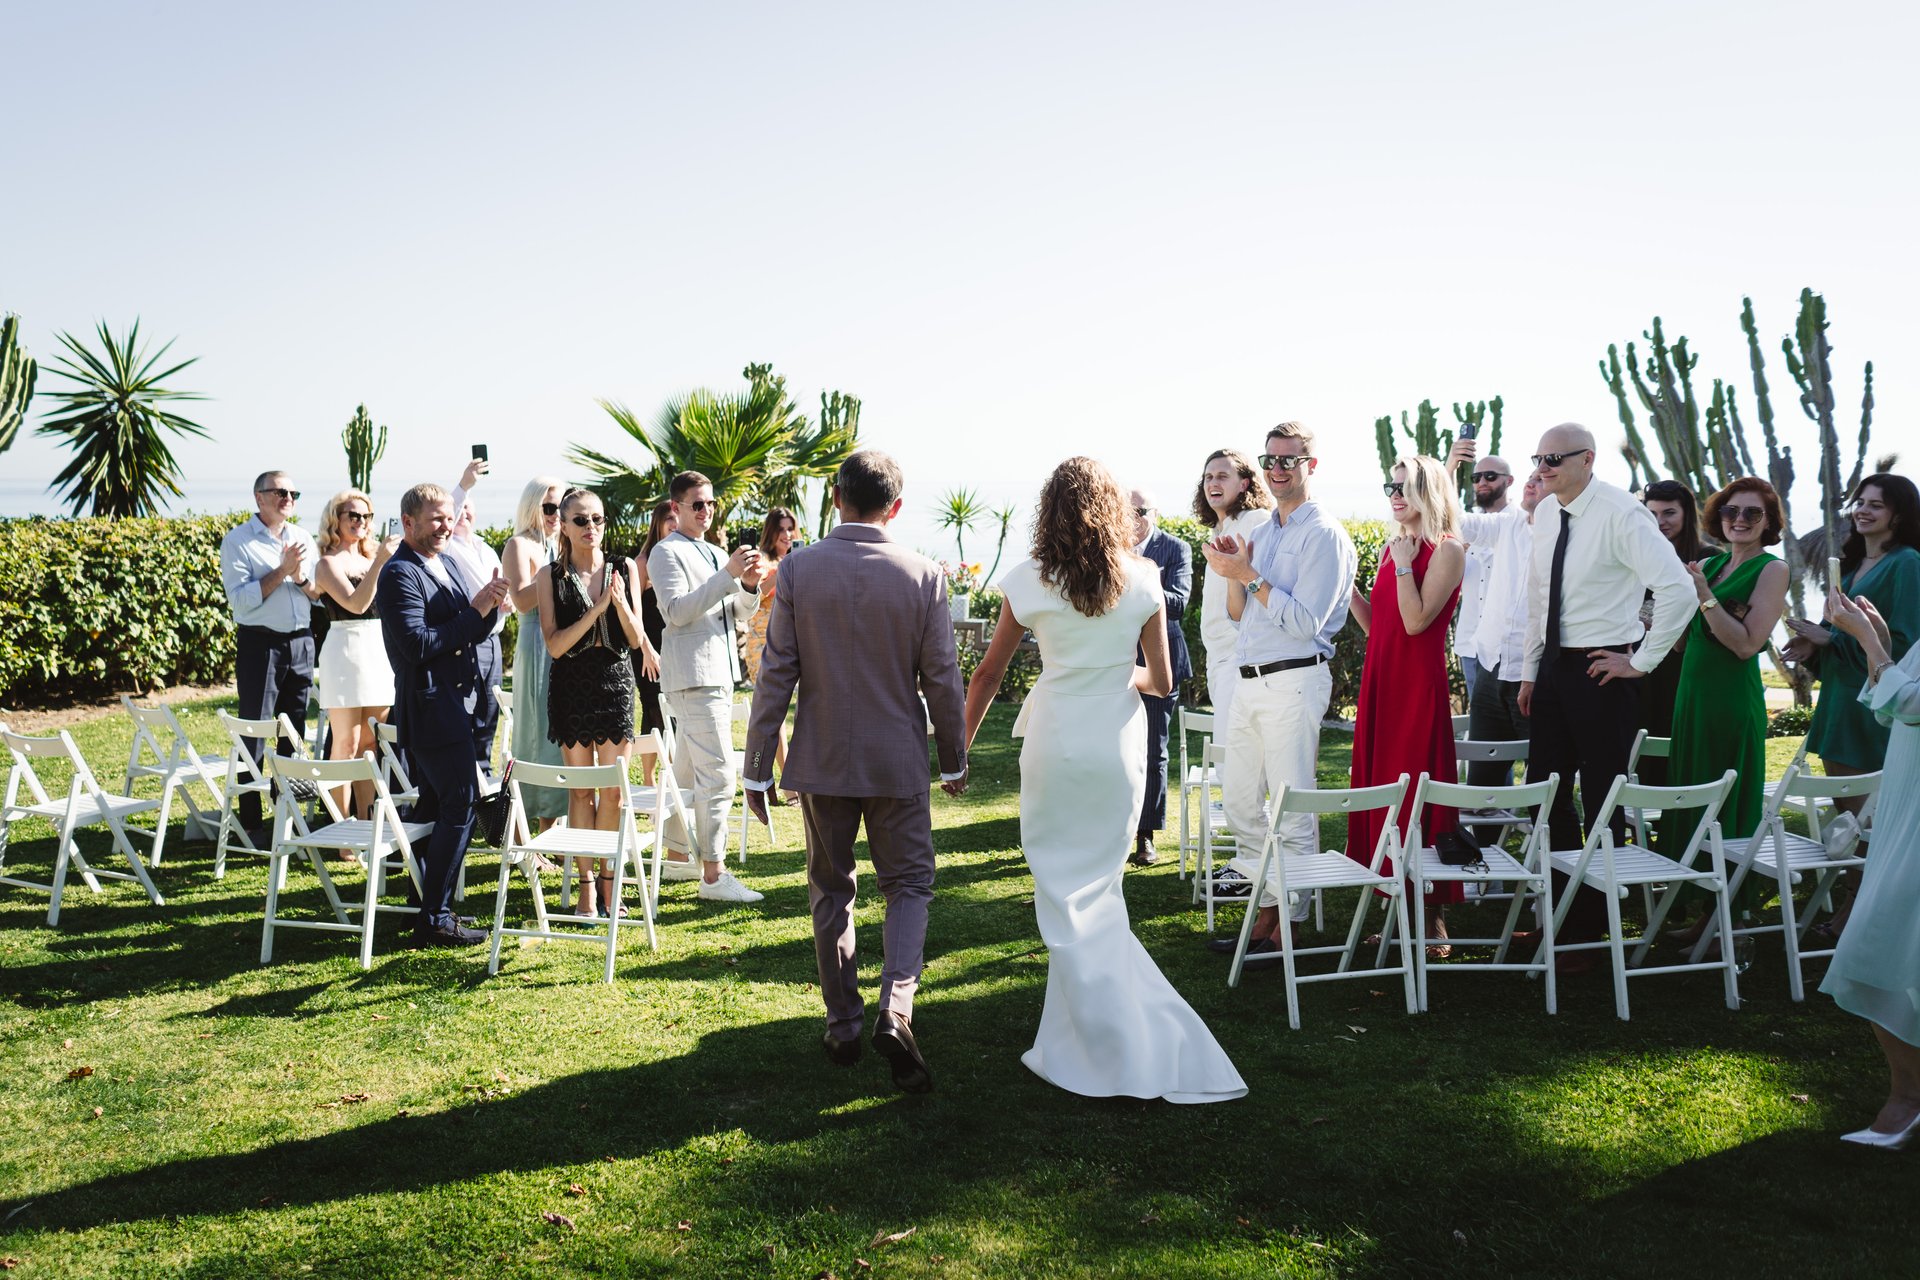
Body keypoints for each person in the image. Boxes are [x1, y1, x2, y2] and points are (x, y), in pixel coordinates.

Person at [965, 456, 1246, 1104]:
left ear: (1051, 511)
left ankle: (1100, 1042)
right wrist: (1121, 677)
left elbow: (985, 677)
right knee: (1099, 892)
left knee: (1062, 894)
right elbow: (1163, 681)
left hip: (1058, 745)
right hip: (1117, 746)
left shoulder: (1029, 579)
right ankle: (1082, 1035)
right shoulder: (1144, 578)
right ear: (1113, 512)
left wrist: (958, 752)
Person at [742, 450, 968, 1093]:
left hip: (821, 761)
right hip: (897, 758)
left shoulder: (800, 570)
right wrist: (951, 756)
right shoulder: (925, 574)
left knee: (830, 887)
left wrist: (759, 768)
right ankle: (897, 1008)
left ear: (836, 497)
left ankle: (844, 1022)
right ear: (895, 507)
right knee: (909, 885)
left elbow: (774, 672)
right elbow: (943, 679)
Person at [1519, 424, 1693, 968]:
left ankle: (1591, 928)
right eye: (1538, 457)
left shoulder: (1623, 512)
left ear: (1587, 459)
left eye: (1554, 458)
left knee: (1601, 797)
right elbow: (1536, 597)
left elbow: (1678, 589)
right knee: (1543, 794)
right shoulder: (1546, 512)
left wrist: (1639, 661)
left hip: (1602, 670)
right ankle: (1564, 914)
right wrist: (1530, 671)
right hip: (1551, 670)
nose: (1543, 467)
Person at [1199, 421, 1357, 958]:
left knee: (1291, 806)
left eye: (1289, 461)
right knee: (1241, 802)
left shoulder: (1326, 535)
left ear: (1311, 467)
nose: (1277, 470)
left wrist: (1246, 575)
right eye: (1271, 460)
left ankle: (1285, 921)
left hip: (1295, 678)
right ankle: (1266, 906)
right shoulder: (1263, 532)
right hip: (1248, 682)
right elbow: (1240, 613)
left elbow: (1305, 623)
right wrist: (1229, 568)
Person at [1787, 472, 1920, 937]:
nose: (1862, 510)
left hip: (1872, 711)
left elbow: (1902, 645)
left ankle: (1859, 919)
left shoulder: (1907, 565)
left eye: (1876, 505)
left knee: (1865, 824)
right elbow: (1845, 639)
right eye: (1859, 502)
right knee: (1845, 821)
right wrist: (1816, 647)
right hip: (1838, 703)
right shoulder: (1851, 564)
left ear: (1899, 514)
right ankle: (1854, 912)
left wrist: (1830, 638)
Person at [377, 482, 509, 947]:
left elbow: (470, 627)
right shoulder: (398, 574)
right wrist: (476, 612)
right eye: (435, 518)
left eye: (449, 517)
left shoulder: (448, 560)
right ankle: (435, 916)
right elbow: (417, 645)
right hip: (431, 707)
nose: (445, 525)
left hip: (462, 704)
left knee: (434, 806)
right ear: (408, 522)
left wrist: (491, 605)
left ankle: (421, 901)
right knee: (461, 803)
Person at [1659, 478, 1790, 941]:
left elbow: (1747, 644)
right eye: (1732, 511)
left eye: (1752, 514)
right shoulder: (1710, 564)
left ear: (1769, 522)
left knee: (1726, 805)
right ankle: (1698, 909)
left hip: (1730, 704)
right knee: (1692, 795)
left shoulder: (1772, 570)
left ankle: (1727, 915)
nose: (1739, 519)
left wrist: (1704, 596)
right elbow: (1682, 642)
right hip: (1691, 700)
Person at [1345, 455, 1467, 951]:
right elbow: (1383, 628)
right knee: (1384, 790)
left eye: (1405, 487)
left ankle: (1431, 919)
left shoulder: (1448, 549)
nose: (1394, 496)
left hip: (1417, 687)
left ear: (1429, 490)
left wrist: (1399, 566)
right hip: (1382, 680)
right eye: (1390, 487)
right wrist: (1349, 589)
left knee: (1418, 787)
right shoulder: (1397, 547)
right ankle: (1397, 909)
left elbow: (1416, 623)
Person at [1819, 585, 1920, 1148]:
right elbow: (1893, 708)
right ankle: (1907, 1096)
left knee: (1876, 944)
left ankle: (1907, 1100)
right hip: (1907, 801)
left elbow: (1910, 704)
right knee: (1884, 946)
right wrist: (1879, 641)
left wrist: (1866, 642)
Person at [648, 471, 767, 903]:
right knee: (718, 775)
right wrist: (727, 574)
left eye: (711, 503)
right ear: (675, 508)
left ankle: (678, 853)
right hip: (694, 674)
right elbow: (676, 612)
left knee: (686, 768)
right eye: (697, 504)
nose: (706, 511)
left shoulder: (717, 551)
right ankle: (714, 876)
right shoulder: (665, 553)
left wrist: (748, 583)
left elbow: (737, 613)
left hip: (718, 670)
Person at [534, 488, 646, 918]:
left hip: (615, 686)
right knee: (581, 792)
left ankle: (609, 891)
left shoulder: (625, 568)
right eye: (580, 520)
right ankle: (584, 892)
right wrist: (596, 610)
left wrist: (616, 603)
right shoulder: (550, 577)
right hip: (571, 690)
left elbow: (635, 639)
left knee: (613, 794)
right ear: (563, 525)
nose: (590, 528)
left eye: (597, 519)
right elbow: (555, 646)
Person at [219, 471, 320, 840]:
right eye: (280, 491)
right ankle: (251, 822)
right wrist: (282, 570)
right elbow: (241, 601)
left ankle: (285, 813)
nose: (288, 497)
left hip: (301, 642)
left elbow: (317, 594)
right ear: (259, 497)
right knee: (255, 730)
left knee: (293, 731)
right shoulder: (238, 541)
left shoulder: (303, 537)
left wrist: (301, 578)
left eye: (294, 492)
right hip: (260, 645)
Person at [1445, 440, 1541, 792]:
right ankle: (1483, 836)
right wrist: (1450, 466)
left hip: (1536, 672)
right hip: (1487, 660)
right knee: (1484, 765)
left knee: (1541, 769)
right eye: (1533, 476)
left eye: (1543, 478)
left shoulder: (1567, 534)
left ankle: (1537, 836)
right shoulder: (1505, 525)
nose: (1535, 481)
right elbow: (1448, 518)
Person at [312, 489, 398, 835]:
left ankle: (365, 825)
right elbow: (356, 604)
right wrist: (381, 563)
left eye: (366, 516)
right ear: (336, 519)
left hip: (378, 650)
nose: (360, 522)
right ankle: (341, 831)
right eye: (352, 515)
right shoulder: (327, 563)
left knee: (370, 744)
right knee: (345, 743)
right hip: (345, 649)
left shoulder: (373, 558)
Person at [1128, 487, 1193, 866]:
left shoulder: (1175, 549)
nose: (1133, 517)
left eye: (1140, 510)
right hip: (1116, 660)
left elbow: (1180, 604)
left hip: (1160, 663)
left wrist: (1139, 581)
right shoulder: (1109, 548)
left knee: (1154, 750)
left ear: (1155, 512)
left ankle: (1145, 836)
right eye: (1125, 510)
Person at [1190, 448, 1273, 737]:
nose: (1213, 483)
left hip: (1240, 659)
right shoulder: (1218, 530)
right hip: (1218, 659)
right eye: (1208, 477)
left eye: (1223, 476)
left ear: (1244, 483)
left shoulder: (1257, 521)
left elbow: (1259, 589)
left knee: (1232, 763)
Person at [501, 475, 569, 827]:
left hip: (567, 645)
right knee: (536, 732)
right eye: (549, 507)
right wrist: (553, 574)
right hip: (536, 644)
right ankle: (532, 828)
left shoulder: (565, 545)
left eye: (562, 506)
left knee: (562, 736)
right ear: (533, 507)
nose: (557, 514)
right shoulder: (519, 545)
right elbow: (521, 601)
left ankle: (558, 824)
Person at [1637, 479, 1711, 780]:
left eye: (1669, 513)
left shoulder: (1708, 558)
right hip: (1641, 667)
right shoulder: (1637, 556)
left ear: (1686, 515)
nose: (1660, 522)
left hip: (1686, 667)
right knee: (1641, 747)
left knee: (1680, 748)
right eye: (1652, 514)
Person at [444, 458, 507, 773]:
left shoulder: (486, 548)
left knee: (489, 710)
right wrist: (464, 485)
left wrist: (504, 604)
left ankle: (483, 774)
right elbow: (449, 509)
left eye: (469, 507)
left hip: (494, 641)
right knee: (469, 710)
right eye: (460, 508)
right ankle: (469, 777)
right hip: (468, 640)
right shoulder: (448, 548)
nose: (463, 512)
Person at [743, 506, 800, 806]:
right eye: (782, 529)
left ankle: (785, 778)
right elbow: (760, 591)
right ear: (771, 532)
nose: (787, 535)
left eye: (791, 528)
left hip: (792, 643)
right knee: (774, 712)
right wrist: (785, 569)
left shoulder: (799, 560)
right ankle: (785, 781)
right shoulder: (762, 561)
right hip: (762, 644)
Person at [1454, 453, 1517, 704]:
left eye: (1490, 476)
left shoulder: (1522, 523)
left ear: (1509, 481)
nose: (1482, 482)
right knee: (1480, 728)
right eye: (1476, 477)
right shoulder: (1464, 527)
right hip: (1469, 645)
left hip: (1507, 649)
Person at [630, 501, 675, 786]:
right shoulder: (642, 562)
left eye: (677, 518)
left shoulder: (679, 555)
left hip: (674, 645)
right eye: (669, 519)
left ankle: (671, 775)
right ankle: (648, 779)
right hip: (648, 647)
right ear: (657, 523)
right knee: (652, 708)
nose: (675, 524)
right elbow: (635, 613)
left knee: (673, 711)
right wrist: (647, 649)